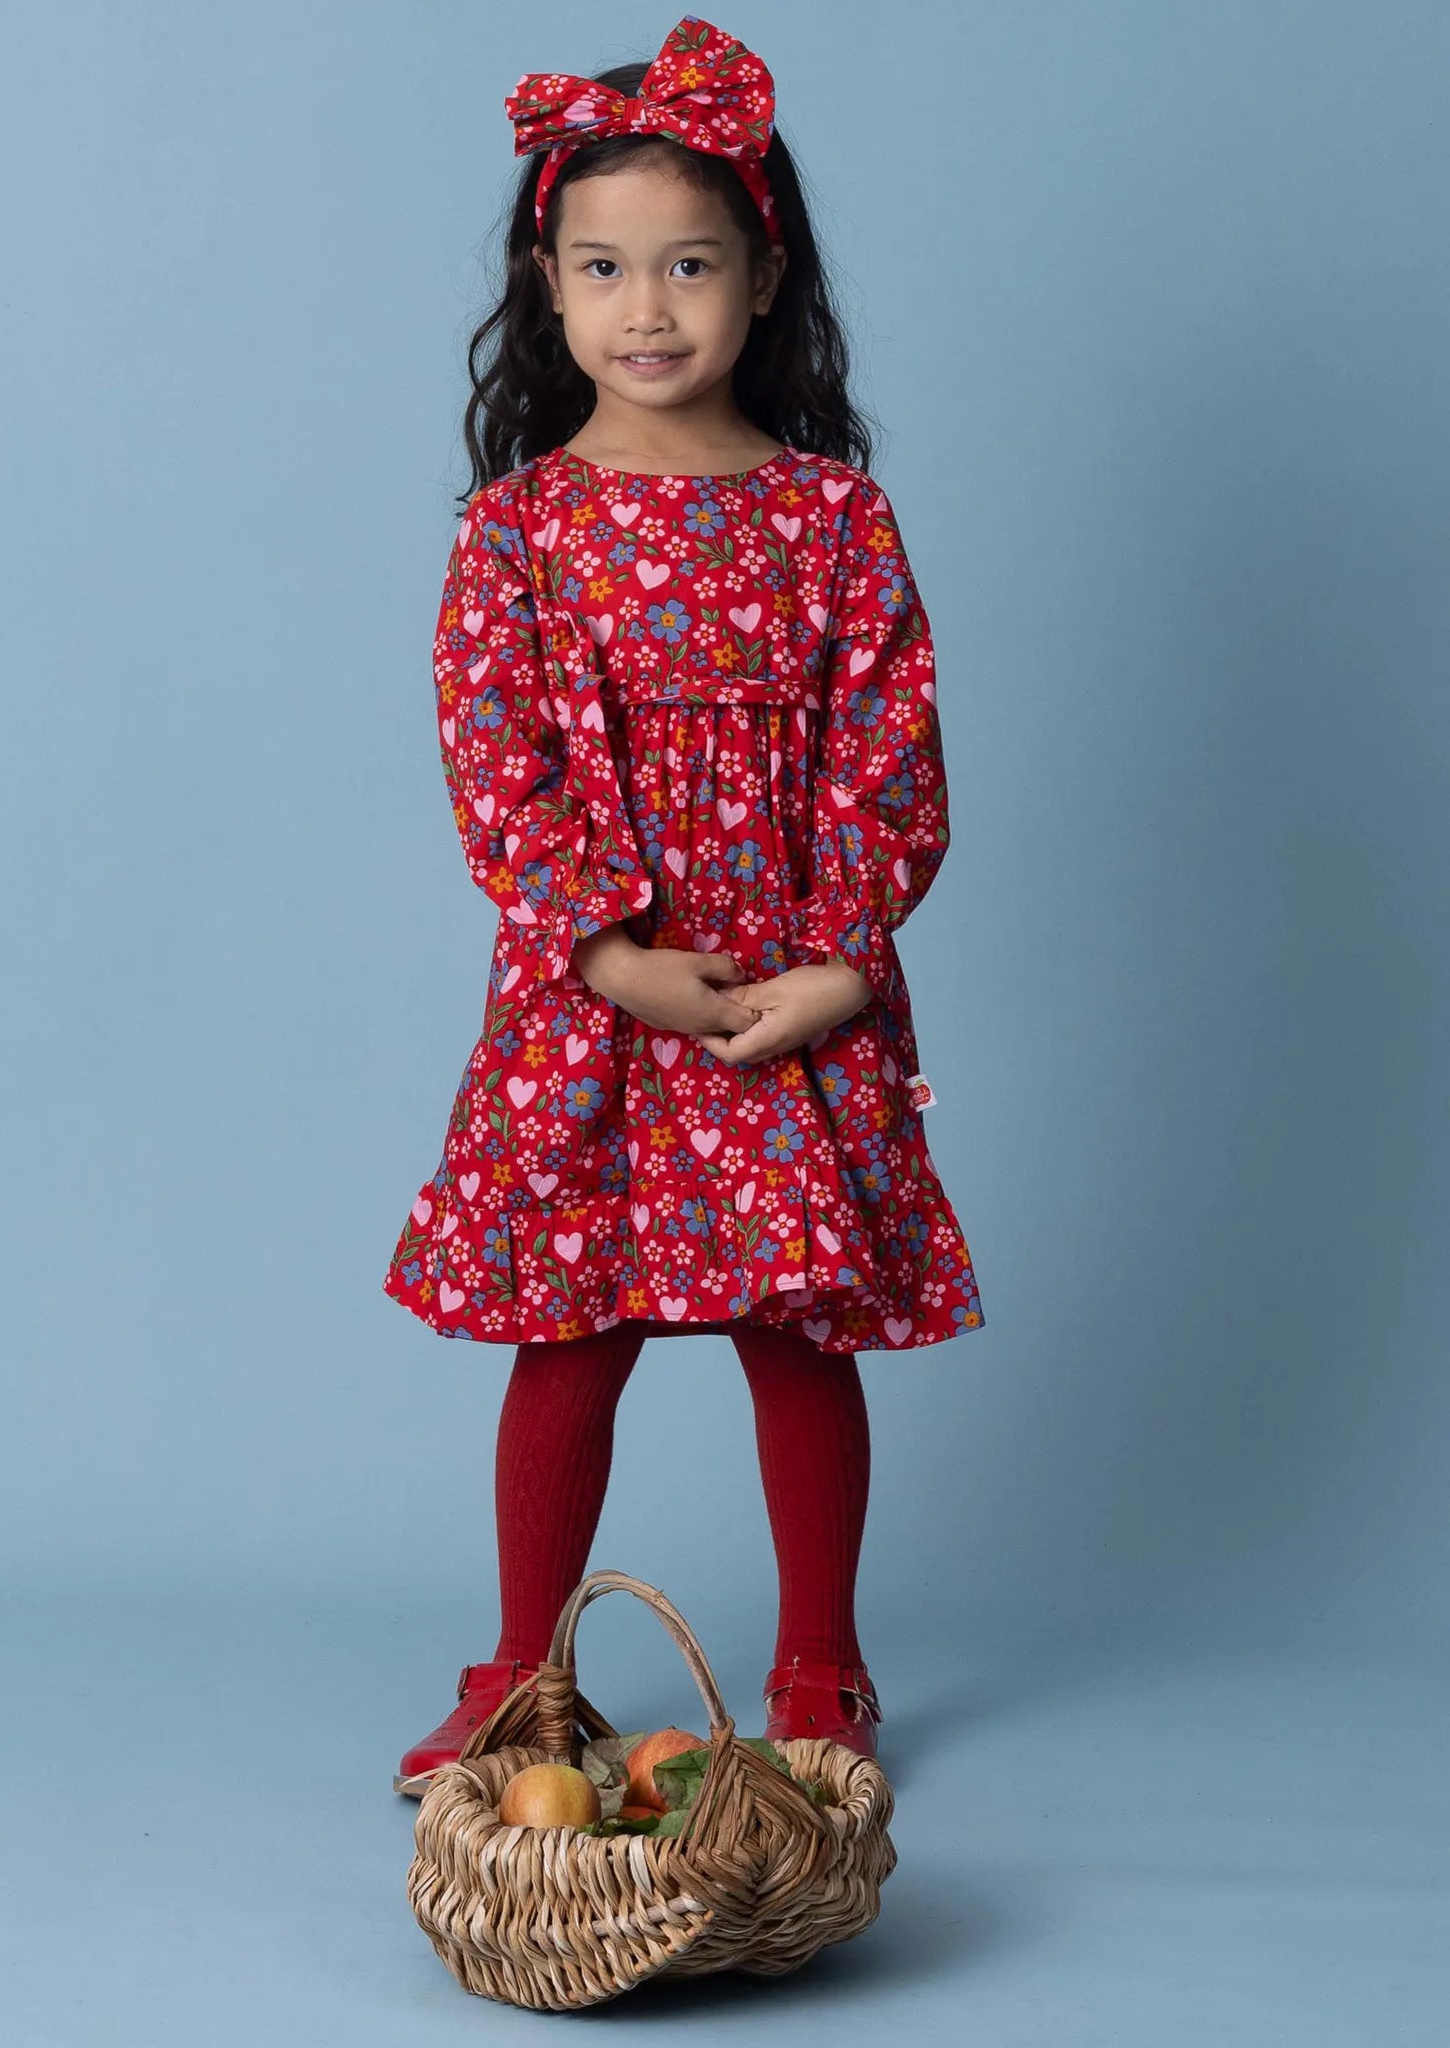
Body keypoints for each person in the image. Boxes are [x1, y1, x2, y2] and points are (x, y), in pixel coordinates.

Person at [384, 13, 986, 1798]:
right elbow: (498, 766)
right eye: (603, 266)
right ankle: (524, 1671)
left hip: (792, 992)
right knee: (570, 1333)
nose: (646, 308)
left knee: (798, 1336)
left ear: (763, 278)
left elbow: (891, 754)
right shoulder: (519, 532)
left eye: (690, 265)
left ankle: (823, 1669)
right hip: (599, 1003)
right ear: (547, 286)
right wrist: (606, 954)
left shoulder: (833, 522)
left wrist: (843, 967)